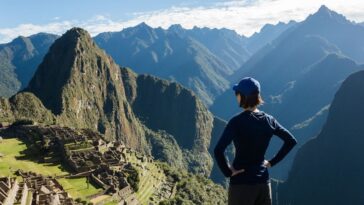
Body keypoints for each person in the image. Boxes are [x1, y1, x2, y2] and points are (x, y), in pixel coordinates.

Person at [214, 77, 297, 205]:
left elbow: (218, 150)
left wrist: (228, 171)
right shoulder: (269, 120)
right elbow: (290, 141)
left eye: (237, 93)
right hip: (263, 184)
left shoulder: (236, 122)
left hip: (242, 185)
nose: (236, 96)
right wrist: (271, 162)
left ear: (243, 96)